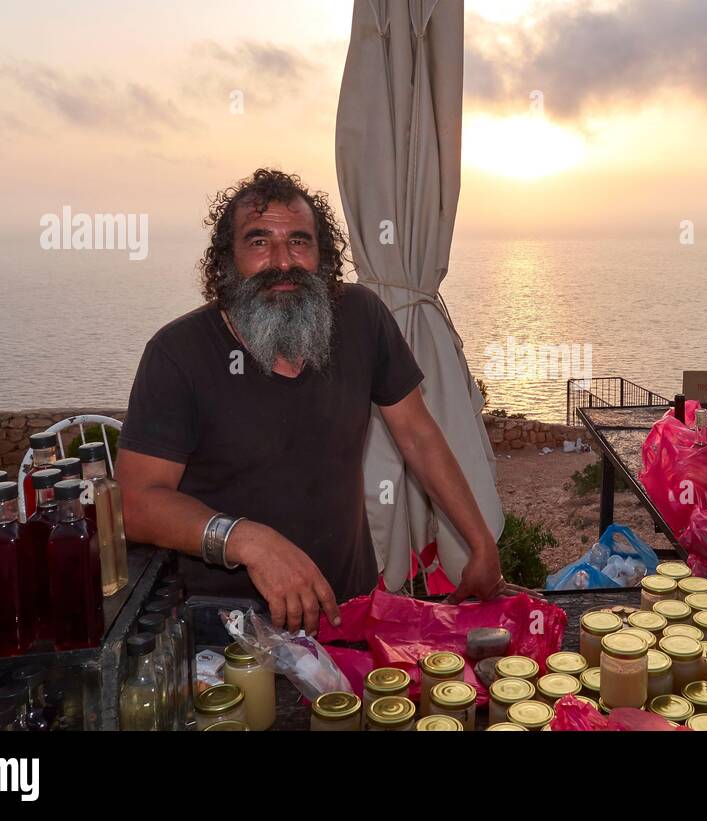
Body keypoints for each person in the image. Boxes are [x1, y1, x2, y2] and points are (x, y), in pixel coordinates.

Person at [116, 168, 510, 632]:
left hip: (350, 610)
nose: (283, 261)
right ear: (227, 260)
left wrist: (480, 542)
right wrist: (248, 540)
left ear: (322, 257)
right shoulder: (178, 354)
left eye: (299, 241)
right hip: (225, 632)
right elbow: (135, 503)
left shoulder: (362, 318)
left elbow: (418, 436)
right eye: (260, 242)